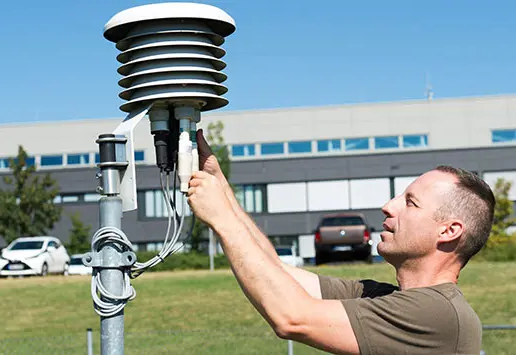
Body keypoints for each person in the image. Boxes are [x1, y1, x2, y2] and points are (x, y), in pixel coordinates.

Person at [186, 129, 495, 355]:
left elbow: (293, 318)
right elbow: (275, 271)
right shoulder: (386, 298)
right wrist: (222, 189)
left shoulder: (437, 314)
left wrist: (222, 219)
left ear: (449, 231)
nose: (389, 205)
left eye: (410, 203)